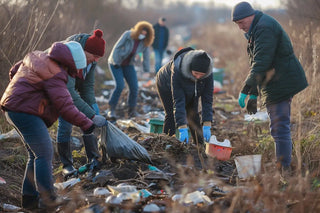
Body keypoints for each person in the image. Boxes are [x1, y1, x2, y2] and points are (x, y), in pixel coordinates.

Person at [0, 41, 104, 210]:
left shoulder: (39, 56)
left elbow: (14, 70)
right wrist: (87, 124)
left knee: (35, 155)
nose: (75, 73)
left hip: (13, 107)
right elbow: (66, 106)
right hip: (24, 112)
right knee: (45, 152)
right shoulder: (56, 73)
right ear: (71, 62)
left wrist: (22, 91)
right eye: (76, 68)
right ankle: (48, 199)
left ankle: (29, 200)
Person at [232, 2, 308, 172]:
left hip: (282, 82)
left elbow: (261, 62)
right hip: (275, 81)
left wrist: (245, 90)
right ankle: (284, 167)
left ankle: (284, 172)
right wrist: (253, 94)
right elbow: (258, 65)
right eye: (237, 24)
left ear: (250, 16)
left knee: (279, 127)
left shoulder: (264, 28)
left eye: (241, 23)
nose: (240, 27)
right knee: (278, 127)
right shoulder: (256, 28)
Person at [56, 29, 106, 179]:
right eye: (94, 56)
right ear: (84, 51)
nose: (96, 60)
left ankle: (93, 158)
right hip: (58, 90)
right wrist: (90, 114)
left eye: (99, 57)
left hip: (68, 90)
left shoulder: (91, 60)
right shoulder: (68, 54)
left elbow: (87, 88)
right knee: (65, 124)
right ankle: (66, 165)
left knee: (89, 118)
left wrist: (93, 108)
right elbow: (69, 93)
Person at [156, 47, 214, 145]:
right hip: (165, 84)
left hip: (190, 85)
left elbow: (207, 98)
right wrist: (182, 128)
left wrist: (207, 123)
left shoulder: (207, 72)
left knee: (192, 113)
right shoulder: (178, 70)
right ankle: (166, 144)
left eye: (201, 75)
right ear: (190, 68)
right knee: (171, 114)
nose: (198, 77)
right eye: (196, 73)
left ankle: (199, 145)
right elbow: (179, 102)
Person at [108, 21, 154, 118]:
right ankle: (111, 109)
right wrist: (115, 61)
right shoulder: (128, 35)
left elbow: (146, 56)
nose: (143, 35)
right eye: (142, 33)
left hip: (128, 64)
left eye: (145, 34)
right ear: (138, 30)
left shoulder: (144, 43)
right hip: (116, 63)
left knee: (134, 87)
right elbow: (117, 48)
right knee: (120, 85)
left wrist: (146, 71)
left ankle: (131, 111)